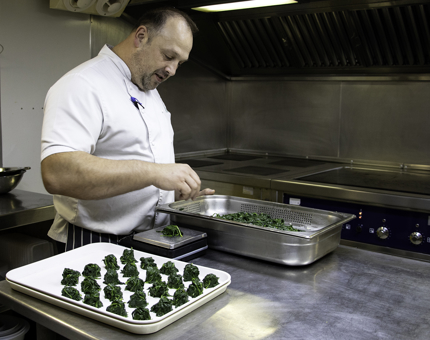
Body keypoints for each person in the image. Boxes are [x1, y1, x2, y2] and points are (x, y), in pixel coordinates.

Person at [41, 7, 214, 252]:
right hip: (94, 244)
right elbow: (57, 173)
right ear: (141, 36)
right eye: (168, 56)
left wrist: (175, 197)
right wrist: (154, 173)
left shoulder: (150, 91)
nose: (172, 70)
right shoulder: (82, 84)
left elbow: (134, 166)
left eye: (180, 63)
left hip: (151, 241)